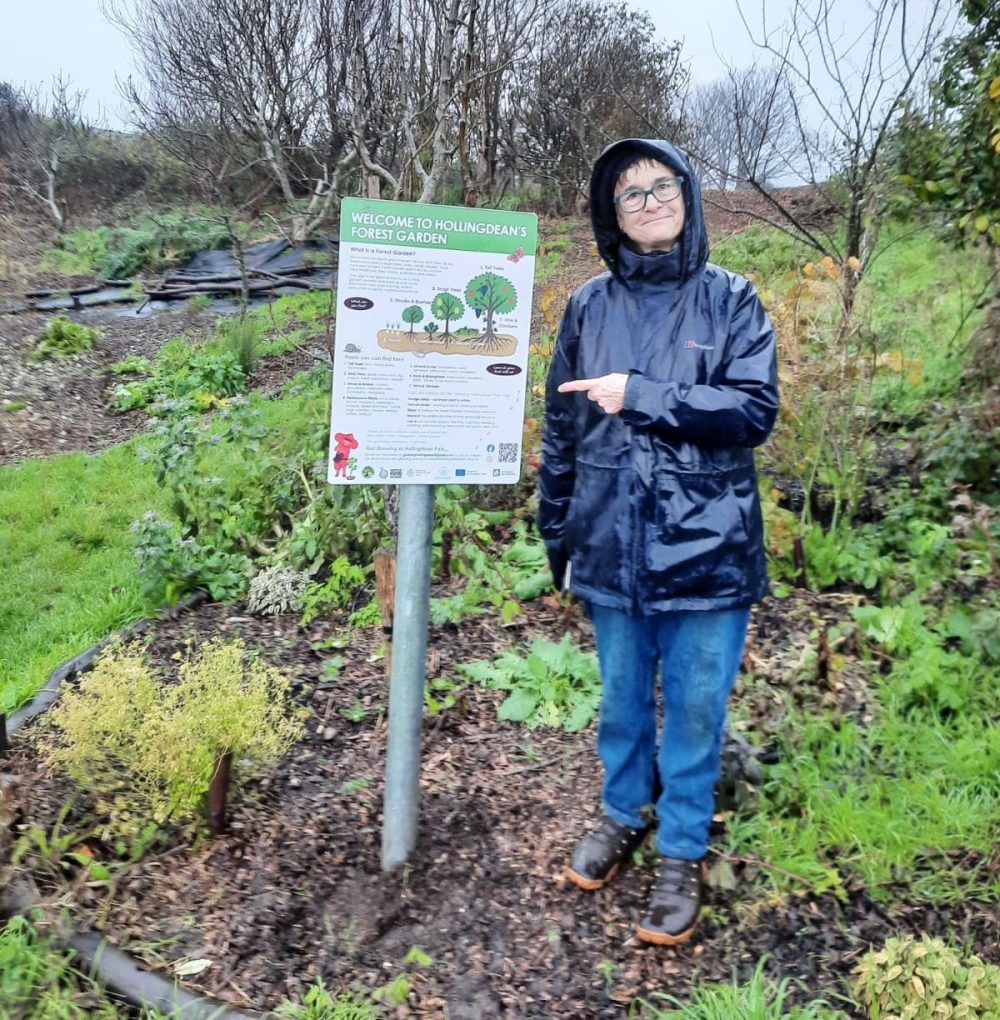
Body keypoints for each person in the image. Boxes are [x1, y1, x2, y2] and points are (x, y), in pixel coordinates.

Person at [538, 139, 778, 946]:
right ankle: (621, 814)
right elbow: (561, 434)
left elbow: (753, 411)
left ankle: (679, 848)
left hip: (709, 550)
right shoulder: (586, 308)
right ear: (612, 215)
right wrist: (556, 530)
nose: (648, 201)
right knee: (620, 700)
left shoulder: (733, 300)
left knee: (698, 709)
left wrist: (642, 394)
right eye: (630, 194)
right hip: (608, 541)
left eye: (661, 186)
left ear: (689, 193)